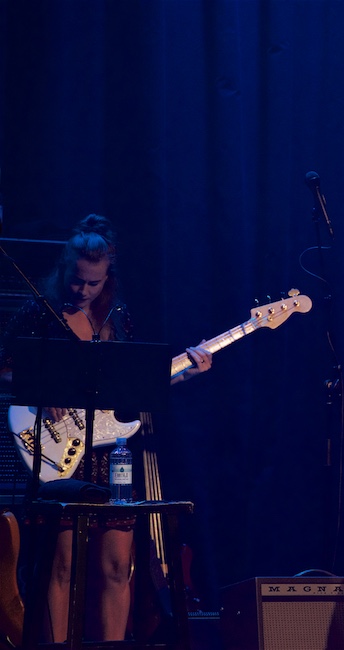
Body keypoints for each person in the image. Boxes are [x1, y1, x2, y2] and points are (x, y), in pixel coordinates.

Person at [0, 214, 213, 643]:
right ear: (66, 270)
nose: (82, 290)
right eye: (77, 280)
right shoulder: (39, 314)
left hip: (111, 454)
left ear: (107, 278)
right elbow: (5, 370)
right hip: (60, 454)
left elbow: (134, 387)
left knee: (117, 566)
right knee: (61, 566)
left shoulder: (119, 319)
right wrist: (43, 387)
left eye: (93, 283)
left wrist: (186, 373)